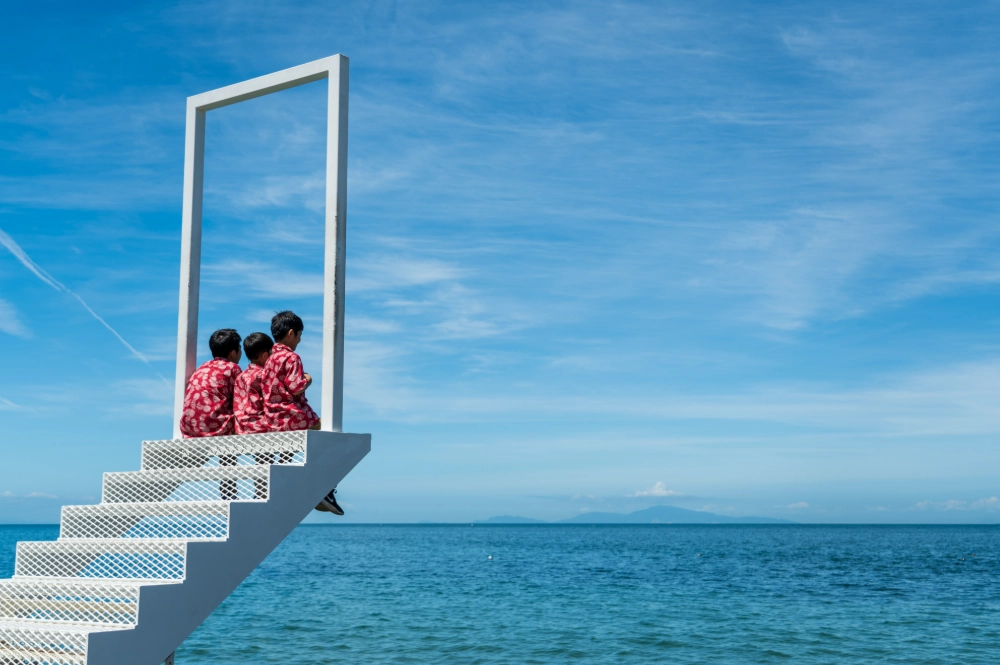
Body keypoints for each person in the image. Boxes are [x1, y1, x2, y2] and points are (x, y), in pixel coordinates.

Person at [263, 310, 343, 515]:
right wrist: (308, 379)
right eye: (299, 335)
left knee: (288, 450)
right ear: (291, 333)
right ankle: (324, 489)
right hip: (290, 416)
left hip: (272, 418)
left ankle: (283, 484)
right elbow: (295, 387)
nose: (299, 341)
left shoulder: (270, 359)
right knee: (328, 431)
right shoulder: (291, 357)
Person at [178, 328, 243, 501]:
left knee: (224, 415)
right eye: (240, 349)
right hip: (213, 428)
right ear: (232, 352)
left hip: (188, 427)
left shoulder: (201, 368)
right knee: (236, 422)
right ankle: (228, 484)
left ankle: (228, 485)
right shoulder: (233, 369)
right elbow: (241, 399)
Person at [234, 332, 275, 499]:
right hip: (260, 427)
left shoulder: (241, 376)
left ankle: (260, 493)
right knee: (265, 460)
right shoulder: (263, 375)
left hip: (242, 428)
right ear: (265, 355)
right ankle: (262, 494)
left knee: (261, 462)